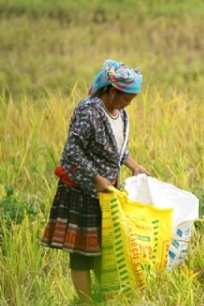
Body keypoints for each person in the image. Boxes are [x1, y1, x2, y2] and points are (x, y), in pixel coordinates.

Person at [40, 59, 149, 305]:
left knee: (106, 249)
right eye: (125, 98)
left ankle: (105, 299)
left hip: (107, 194)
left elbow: (117, 149)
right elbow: (71, 154)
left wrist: (134, 166)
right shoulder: (89, 112)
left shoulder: (121, 113)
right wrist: (96, 178)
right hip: (81, 192)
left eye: (131, 99)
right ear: (111, 91)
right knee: (82, 254)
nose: (128, 103)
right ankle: (86, 302)